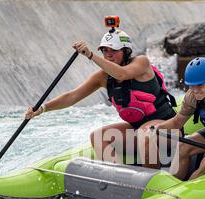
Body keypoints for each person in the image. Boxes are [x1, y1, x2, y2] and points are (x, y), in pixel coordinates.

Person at [25, 29, 177, 168]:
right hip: (139, 130)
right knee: (98, 136)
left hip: (169, 128)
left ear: (126, 51)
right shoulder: (102, 77)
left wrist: (91, 55)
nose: (108, 54)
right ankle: (121, 178)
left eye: (114, 50)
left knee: (146, 133)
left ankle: (151, 186)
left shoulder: (141, 62)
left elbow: (121, 74)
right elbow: (72, 96)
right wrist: (42, 108)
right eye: (105, 50)